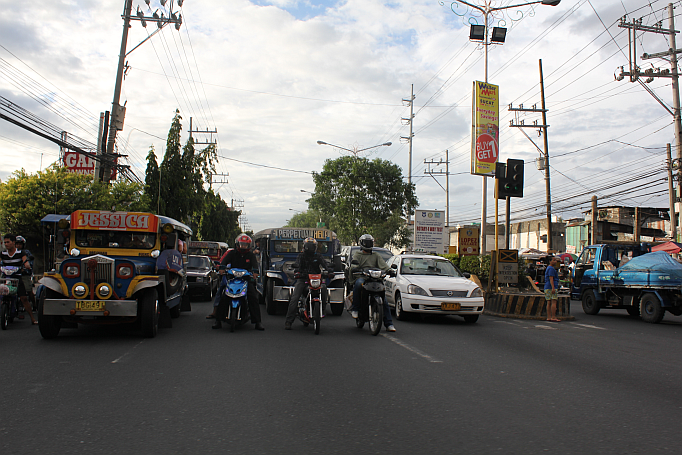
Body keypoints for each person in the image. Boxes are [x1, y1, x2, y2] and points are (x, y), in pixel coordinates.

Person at [213, 234, 264, 331]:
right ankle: (218, 321)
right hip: (232, 280)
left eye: (245, 245)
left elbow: (255, 266)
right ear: (238, 244)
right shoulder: (232, 253)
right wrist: (221, 269)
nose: (243, 246)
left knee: (253, 297)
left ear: (249, 246)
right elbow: (224, 262)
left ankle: (257, 322)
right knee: (223, 296)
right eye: (242, 244)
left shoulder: (251, 255)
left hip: (246, 280)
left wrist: (255, 272)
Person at [349, 234, 396, 332]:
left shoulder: (376, 255)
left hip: (375, 279)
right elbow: (353, 264)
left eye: (370, 242)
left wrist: (390, 270)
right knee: (358, 284)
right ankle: (356, 309)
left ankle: (389, 324)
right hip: (363, 278)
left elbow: (383, 265)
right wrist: (355, 268)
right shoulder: (358, 254)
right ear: (362, 243)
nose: (368, 244)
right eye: (366, 242)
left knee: (385, 301)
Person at [285, 237, 332, 330]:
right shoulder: (301, 256)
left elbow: (325, 265)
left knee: (323, 289)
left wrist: (329, 271)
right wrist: (297, 271)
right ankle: (289, 321)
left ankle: (322, 310)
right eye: (309, 246)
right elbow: (297, 264)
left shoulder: (318, 256)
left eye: (313, 246)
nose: (311, 248)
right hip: (303, 279)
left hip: (316, 279)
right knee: (295, 298)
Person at [1, 234, 37, 324]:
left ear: (13, 242)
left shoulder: (21, 253)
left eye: (8, 242)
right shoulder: (3, 253)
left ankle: (33, 319)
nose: (6, 244)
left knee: (24, 298)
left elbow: (26, 262)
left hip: (17, 278)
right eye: (5, 242)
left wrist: (27, 265)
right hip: (6, 278)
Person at [14, 235, 37, 311]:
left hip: (24, 275)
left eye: (20, 244)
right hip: (13, 275)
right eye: (16, 244)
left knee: (28, 290)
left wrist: (25, 269)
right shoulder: (11, 252)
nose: (18, 246)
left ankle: (34, 305)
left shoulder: (26, 253)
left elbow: (30, 263)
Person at [544, 256, 560, 322]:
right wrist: (553, 288)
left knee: (549, 302)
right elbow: (551, 279)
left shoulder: (548, 268)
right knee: (553, 302)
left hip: (547, 287)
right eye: (554, 260)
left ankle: (549, 317)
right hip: (551, 287)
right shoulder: (551, 269)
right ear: (550, 261)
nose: (555, 261)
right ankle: (553, 317)